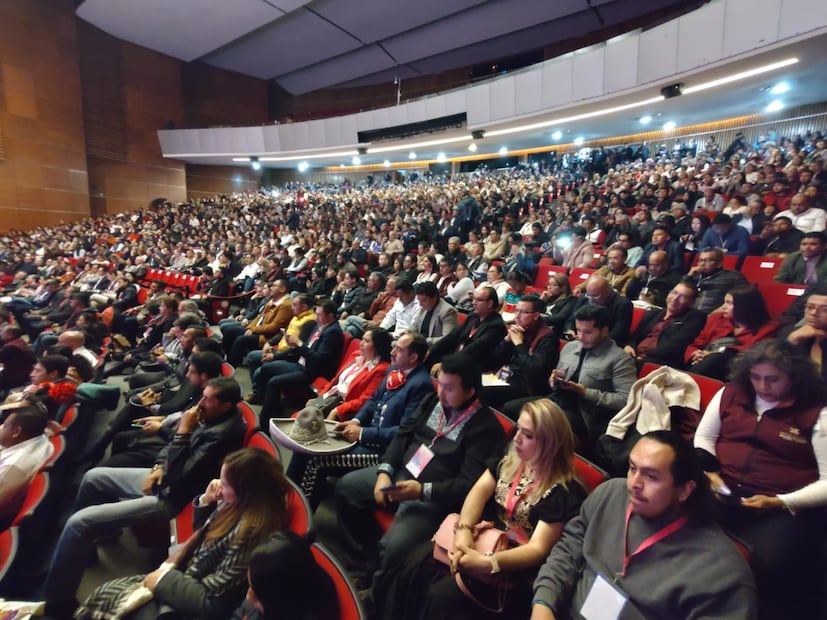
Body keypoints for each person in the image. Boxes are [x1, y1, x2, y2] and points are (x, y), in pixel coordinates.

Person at [43, 377, 247, 617]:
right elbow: (171, 450)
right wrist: (157, 467)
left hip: (175, 497)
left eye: (208, 399)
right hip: (166, 479)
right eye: (202, 395)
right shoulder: (211, 416)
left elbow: (183, 473)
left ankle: (58, 601)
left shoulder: (222, 433)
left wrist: (182, 431)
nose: (201, 403)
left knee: (78, 523)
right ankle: (97, 539)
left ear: (225, 405)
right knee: (93, 476)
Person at [380, 399, 587, 619]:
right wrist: (464, 531)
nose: (516, 439)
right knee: (415, 565)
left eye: (528, 435)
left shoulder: (564, 490)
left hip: (514, 565)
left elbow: (537, 549)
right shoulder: (511, 457)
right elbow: (478, 492)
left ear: (550, 443)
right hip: (486, 538)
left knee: (442, 597)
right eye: (518, 429)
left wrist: (489, 563)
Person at [532, 431, 757, 620]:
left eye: (651, 476)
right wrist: (543, 603)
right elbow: (567, 551)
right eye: (632, 468)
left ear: (685, 490)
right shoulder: (610, 494)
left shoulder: (721, 573)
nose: (634, 484)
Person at [334, 354, 505, 601]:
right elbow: (403, 436)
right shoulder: (432, 402)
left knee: (395, 546)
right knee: (346, 489)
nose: (441, 394)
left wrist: (420, 490)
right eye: (440, 385)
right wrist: (385, 471)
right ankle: (362, 566)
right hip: (403, 473)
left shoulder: (485, 427)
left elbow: (467, 485)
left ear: (470, 392)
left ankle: (373, 598)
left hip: (433, 497)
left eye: (449, 388)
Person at [74, 448, 290, 620]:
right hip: (188, 577)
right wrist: (207, 500)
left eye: (224, 484)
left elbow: (213, 605)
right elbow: (206, 534)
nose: (219, 487)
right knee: (106, 592)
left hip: (191, 602)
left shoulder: (250, 533)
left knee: (109, 599)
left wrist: (162, 580)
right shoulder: (241, 504)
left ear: (245, 491)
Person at [694, 340, 827, 618]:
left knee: (766, 564)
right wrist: (710, 473)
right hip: (723, 487)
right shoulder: (731, 393)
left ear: (794, 376)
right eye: (756, 378)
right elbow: (705, 438)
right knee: (682, 531)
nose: (763, 387)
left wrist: (780, 502)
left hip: (782, 504)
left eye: (773, 379)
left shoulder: (817, 410)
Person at [287, 331, 433, 508]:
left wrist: (363, 433)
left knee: (317, 460)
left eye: (399, 350)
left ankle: (301, 515)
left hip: (382, 451)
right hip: (366, 437)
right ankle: (285, 497)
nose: (392, 352)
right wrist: (356, 421)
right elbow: (372, 401)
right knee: (306, 447)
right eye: (394, 347)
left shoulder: (421, 384)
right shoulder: (395, 369)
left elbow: (403, 431)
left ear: (413, 357)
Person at [247, 299, 344, 422]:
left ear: (330, 316)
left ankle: (265, 419)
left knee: (274, 382)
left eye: (319, 314)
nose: (316, 317)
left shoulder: (333, 332)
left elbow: (318, 360)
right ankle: (274, 407)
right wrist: (293, 346)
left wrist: (298, 344)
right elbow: (306, 348)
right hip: (302, 363)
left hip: (312, 371)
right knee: (266, 368)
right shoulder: (319, 326)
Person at [230, 531, 339, 620]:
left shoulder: (275, 589)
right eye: (251, 586)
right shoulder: (272, 586)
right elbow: (241, 612)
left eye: (257, 595)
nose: (248, 597)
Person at [686, 285, 778, 380]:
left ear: (744, 306)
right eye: (724, 302)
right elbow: (697, 343)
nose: (723, 307)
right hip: (702, 366)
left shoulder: (767, 329)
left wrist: (713, 354)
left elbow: (750, 354)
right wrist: (695, 354)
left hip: (735, 373)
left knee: (716, 358)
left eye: (729, 303)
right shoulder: (717, 318)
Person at [486, 295, 559, 413]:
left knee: (483, 392)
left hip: (526, 385)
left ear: (536, 315)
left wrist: (519, 345)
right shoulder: (519, 329)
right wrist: (506, 340)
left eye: (523, 312)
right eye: (516, 311)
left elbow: (535, 371)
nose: (517, 316)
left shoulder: (547, 338)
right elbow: (495, 359)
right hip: (505, 376)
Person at [623, 280, 706, 369]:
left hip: (661, 361)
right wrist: (629, 346)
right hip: (635, 355)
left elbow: (675, 346)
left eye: (683, 297)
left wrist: (644, 355)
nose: (675, 298)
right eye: (674, 293)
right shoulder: (653, 313)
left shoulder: (694, 318)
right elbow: (635, 336)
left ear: (691, 302)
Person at [428, 286, 507, 374]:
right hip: (458, 357)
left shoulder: (496, 326)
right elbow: (453, 335)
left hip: (474, 365)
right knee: (426, 359)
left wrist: (447, 364)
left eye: (478, 300)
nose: (474, 303)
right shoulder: (473, 316)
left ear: (490, 304)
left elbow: (475, 349)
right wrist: (430, 350)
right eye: (474, 299)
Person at [0, 404, 53, 529]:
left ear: (17, 432)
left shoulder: (14, 467)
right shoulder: (41, 439)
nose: (1, 428)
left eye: (5, 426)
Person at [564, 275, 633, 346]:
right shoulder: (584, 298)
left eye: (595, 296)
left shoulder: (623, 304)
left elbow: (619, 332)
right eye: (588, 295)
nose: (591, 299)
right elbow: (571, 319)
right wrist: (570, 330)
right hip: (580, 340)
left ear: (607, 292)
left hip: (607, 344)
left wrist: (591, 338)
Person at [688, 248, 747, 314]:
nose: (702, 263)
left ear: (719, 264)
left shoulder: (733, 277)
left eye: (707, 260)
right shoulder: (695, 276)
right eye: (700, 260)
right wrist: (688, 277)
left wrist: (715, 314)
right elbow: (679, 294)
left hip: (713, 317)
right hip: (689, 317)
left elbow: (744, 299)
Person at [786, 284, 827, 378]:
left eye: (824, 309)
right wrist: (791, 341)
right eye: (810, 307)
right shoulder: (790, 333)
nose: (814, 313)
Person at [411, 281, 458, 345]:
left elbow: (447, 339)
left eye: (424, 301)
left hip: (435, 348)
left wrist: (422, 341)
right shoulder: (423, 308)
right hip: (419, 344)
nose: (420, 304)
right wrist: (407, 333)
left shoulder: (448, 311)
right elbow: (415, 325)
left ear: (434, 297)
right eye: (419, 300)